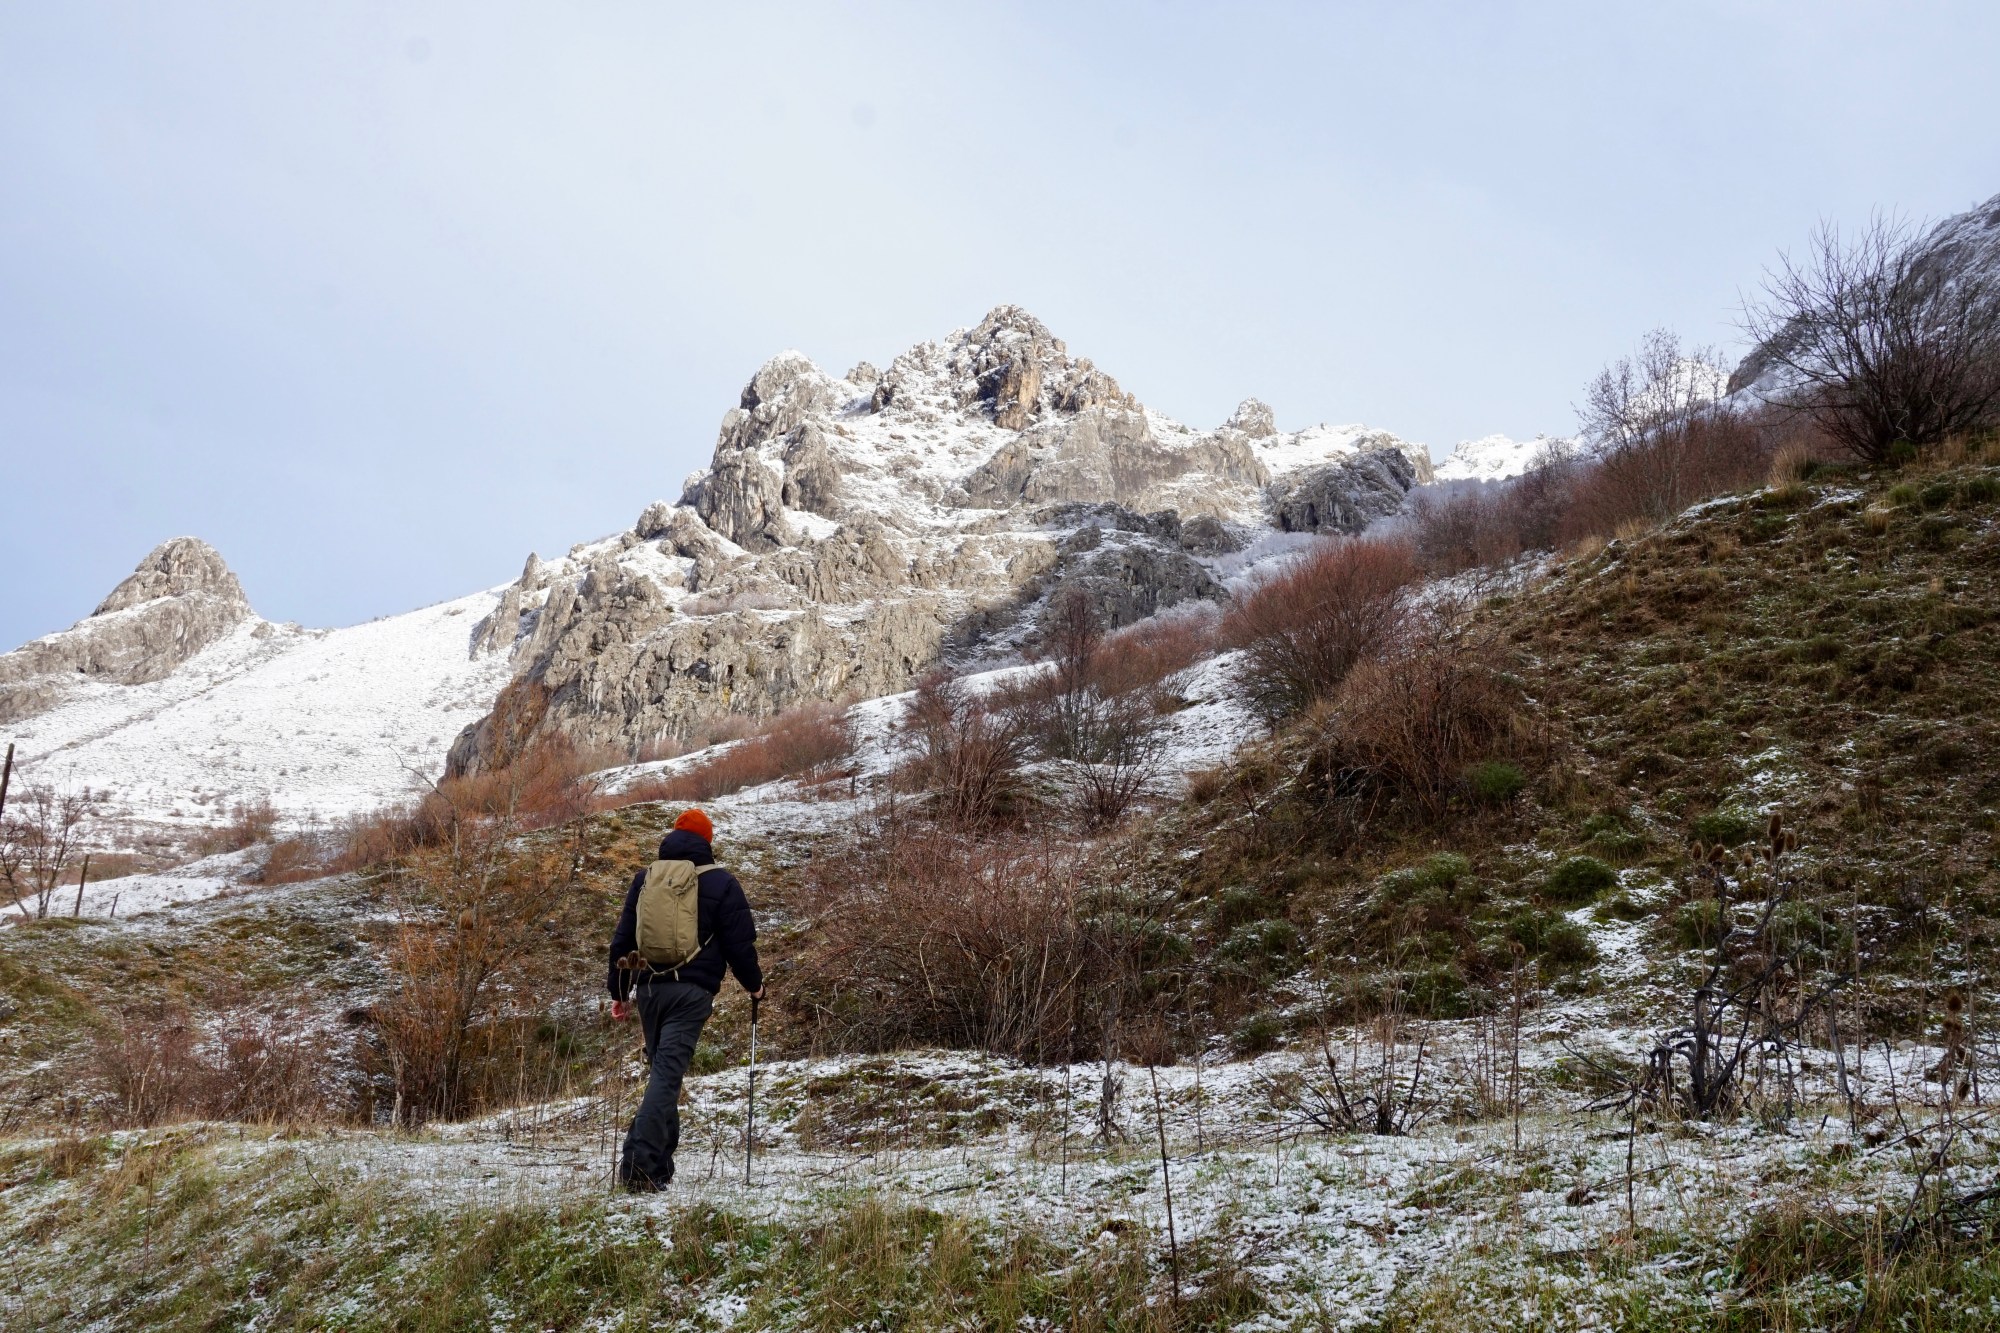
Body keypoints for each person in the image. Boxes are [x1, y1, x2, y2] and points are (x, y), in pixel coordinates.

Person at [606, 806, 763, 1192]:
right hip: (691, 993)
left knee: (664, 1075)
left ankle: (657, 1168)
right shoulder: (722, 883)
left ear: (673, 837)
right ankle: (637, 1167)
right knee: (665, 1077)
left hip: (649, 991)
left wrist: (619, 992)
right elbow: (739, 945)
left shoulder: (646, 879)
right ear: (707, 841)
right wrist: (755, 986)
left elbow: (624, 940)